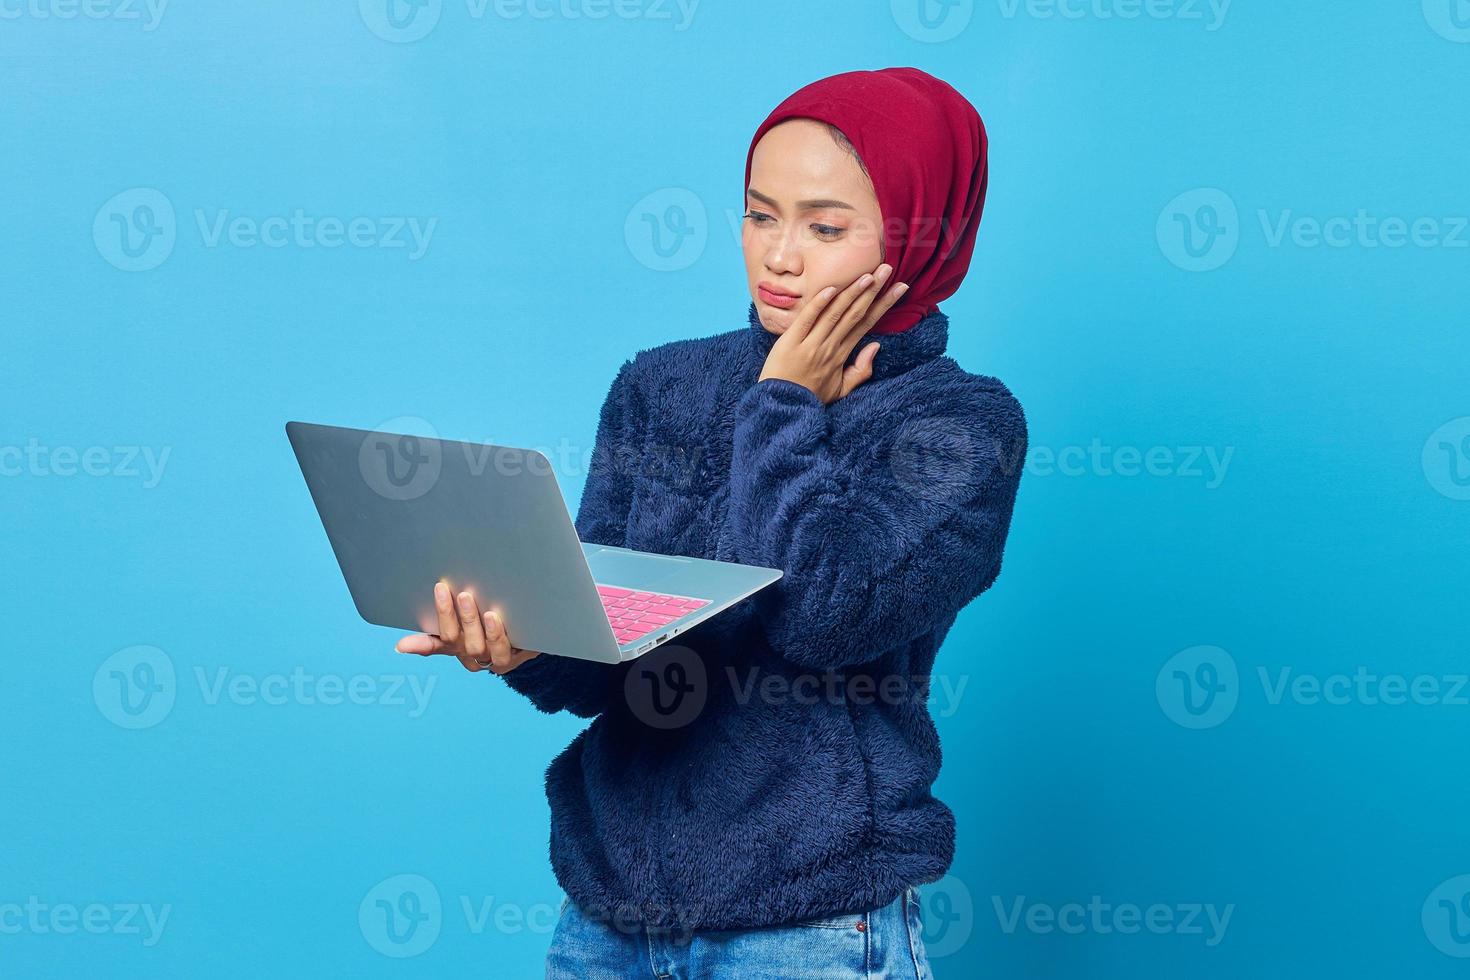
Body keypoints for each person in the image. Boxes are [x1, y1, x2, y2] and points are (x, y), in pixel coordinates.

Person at [394, 66, 1027, 979]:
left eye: (825, 226)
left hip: (810, 929)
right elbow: (615, 651)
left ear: (922, 237)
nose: (779, 255)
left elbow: (822, 616)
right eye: (760, 214)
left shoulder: (960, 427)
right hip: (607, 921)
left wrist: (781, 402)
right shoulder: (663, 383)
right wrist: (523, 642)